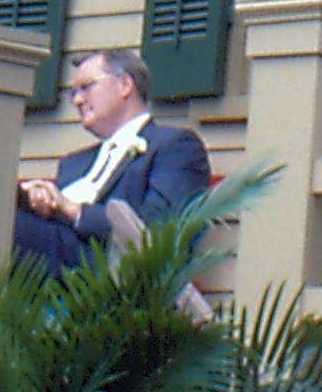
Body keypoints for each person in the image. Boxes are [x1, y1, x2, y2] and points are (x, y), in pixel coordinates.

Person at [12, 48, 211, 273]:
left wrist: (74, 210)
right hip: (50, 259)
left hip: (109, 272)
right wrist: (34, 196)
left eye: (86, 87)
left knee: (1, 225)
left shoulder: (174, 146)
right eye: (73, 93)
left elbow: (159, 231)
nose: (77, 100)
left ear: (125, 84)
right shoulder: (74, 163)